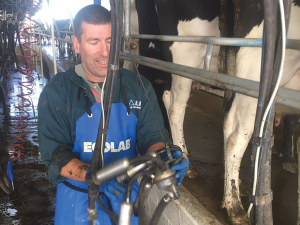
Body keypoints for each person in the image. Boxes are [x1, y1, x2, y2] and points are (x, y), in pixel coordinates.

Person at [38, 4, 189, 225]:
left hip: (125, 200)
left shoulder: (138, 86)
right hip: (76, 205)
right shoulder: (58, 92)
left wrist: (166, 160)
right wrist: (98, 177)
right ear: (76, 44)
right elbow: (56, 157)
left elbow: (153, 138)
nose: (105, 52)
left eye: (110, 41)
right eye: (94, 42)